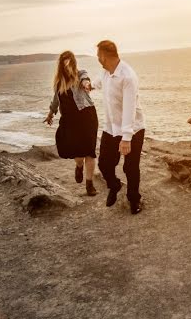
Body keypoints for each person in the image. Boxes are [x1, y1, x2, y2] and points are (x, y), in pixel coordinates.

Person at [93, 40, 146, 214]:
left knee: (130, 167)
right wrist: (88, 85)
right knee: (104, 164)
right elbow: (99, 83)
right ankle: (114, 185)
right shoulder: (106, 72)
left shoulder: (127, 76)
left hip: (133, 129)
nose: (97, 58)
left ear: (104, 56)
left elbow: (129, 109)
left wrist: (126, 138)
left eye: (98, 54)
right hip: (111, 128)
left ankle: (134, 200)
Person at [43, 51, 98, 196]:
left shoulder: (81, 74)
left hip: (87, 116)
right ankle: (79, 166)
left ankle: (89, 185)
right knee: (79, 154)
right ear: (61, 65)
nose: (67, 66)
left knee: (90, 152)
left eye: (70, 63)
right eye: (64, 64)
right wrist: (50, 114)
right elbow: (56, 100)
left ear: (74, 63)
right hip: (70, 121)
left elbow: (86, 80)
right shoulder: (59, 82)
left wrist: (87, 85)